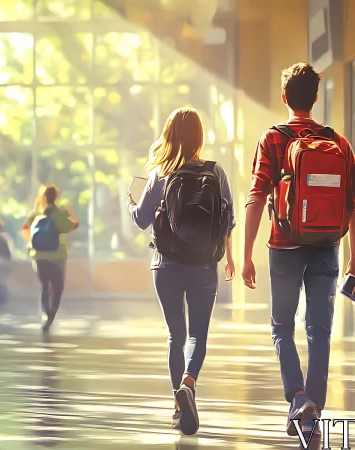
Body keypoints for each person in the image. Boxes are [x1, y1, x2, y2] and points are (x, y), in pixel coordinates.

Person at [241, 63, 355, 438]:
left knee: (282, 327)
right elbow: (354, 204)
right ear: (315, 98)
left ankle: (297, 397)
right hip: (327, 247)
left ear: (284, 98)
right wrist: (354, 260)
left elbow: (256, 195)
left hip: (283, 246)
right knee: (320, 331)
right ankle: (313, 406)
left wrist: (246, 253)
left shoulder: (273, 139)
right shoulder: (338, 142)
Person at [127, 107, 236, 436]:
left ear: (170, 134)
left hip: (167, 266)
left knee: (176, 335)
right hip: (204, 265)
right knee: (197, 335)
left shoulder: (162, 172)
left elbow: (143, 219)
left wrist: (132, 203)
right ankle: (189, 383)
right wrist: (229, 257)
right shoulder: (215, 173)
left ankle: (179, 404)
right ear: (200, 136)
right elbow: (227, 220)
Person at [22, 185, 80, 333]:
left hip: (38, 255)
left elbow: (24, 228)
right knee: (58, 287)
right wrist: (70, 214)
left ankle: (44, 313)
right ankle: (50, 317)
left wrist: (31, 242)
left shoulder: (35, 213)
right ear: (57, 197)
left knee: (44, 286)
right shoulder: (59, 214)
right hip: (57, 256)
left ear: (43, 196)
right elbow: (72, 226)